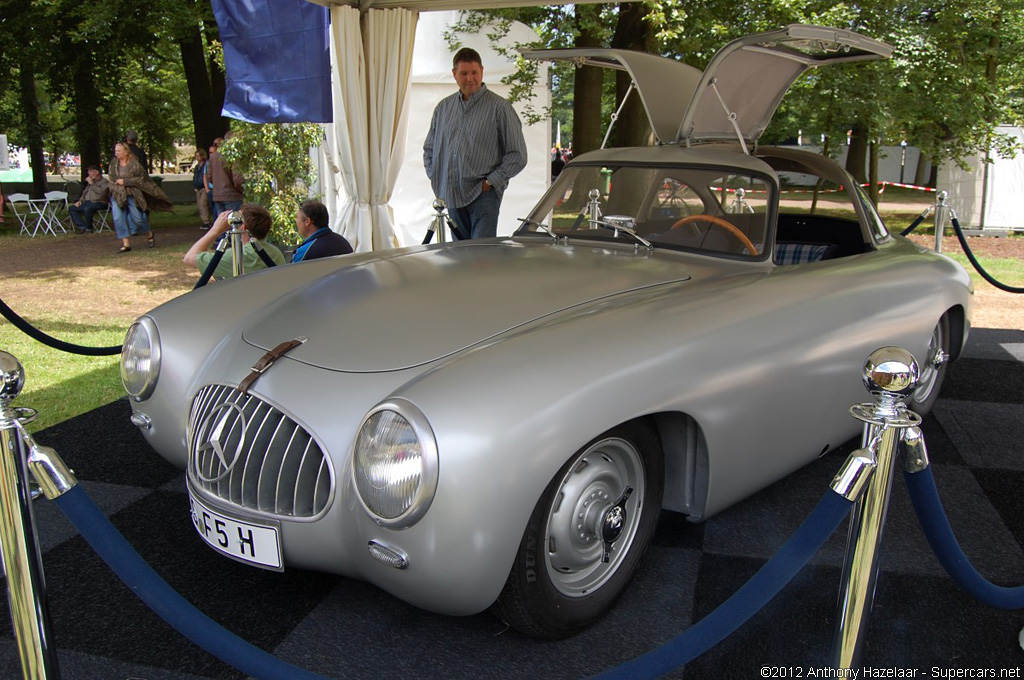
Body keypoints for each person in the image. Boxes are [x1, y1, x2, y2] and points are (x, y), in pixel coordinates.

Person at [423, 47, 527, 239]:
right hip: (451, 195)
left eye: (474, 73)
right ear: (454, 74)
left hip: (483, 196)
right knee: (458, 257)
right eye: (464, 73)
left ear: (482, 72)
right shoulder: (443, 108)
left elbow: (518, 155)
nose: (469, 78)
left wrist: (490, 182)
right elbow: (429, 149)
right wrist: (437, 177)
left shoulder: (499, 108)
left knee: (481, 258)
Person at [184, 203, 286, 279]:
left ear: (242, 226)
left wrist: (215, 230)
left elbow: (189, 258)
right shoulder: (275, 253)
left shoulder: (237, 256)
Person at [108, 141, 172, 253]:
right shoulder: (114, 164)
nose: (116, 153)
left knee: (138, 220)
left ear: (126, 152)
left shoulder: (134, 164)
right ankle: (126, 244)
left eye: (119, 151)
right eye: (115, 151)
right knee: (118, 218)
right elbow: (112, 179)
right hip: (118, 194)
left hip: (133, 194)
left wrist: (125, 182)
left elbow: (141, 179)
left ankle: (149, 233)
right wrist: (116, 186)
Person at [208, 133, 243, 219]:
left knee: (221, 224)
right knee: (234, 225)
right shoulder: (234, 155)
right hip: (232, 195)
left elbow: (209, 176)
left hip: (218, 194)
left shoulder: (214, 156)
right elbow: (237, 179)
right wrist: (242, 190)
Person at [69, 165, 110, 233]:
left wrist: (92, 183)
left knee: (88, 208)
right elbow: (84, 193)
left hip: (100, 202)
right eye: (88, 172)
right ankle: (82, 226)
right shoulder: (90, 183)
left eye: (90, 172)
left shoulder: (104, 182)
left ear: (97, 172)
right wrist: (80, 201)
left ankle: (89, 228)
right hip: (87, 202)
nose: (89, 174)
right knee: (72, 208)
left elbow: (101, 193)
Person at [192, 149, 212, 230]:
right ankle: (204, 221)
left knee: (203, 204)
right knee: (200, 205)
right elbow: (195, 177)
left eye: (198, 156)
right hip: (198, 187)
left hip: (204, 187)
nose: (197, 158)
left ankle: (207, 221)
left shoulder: (206, 164)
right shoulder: (197, 167)